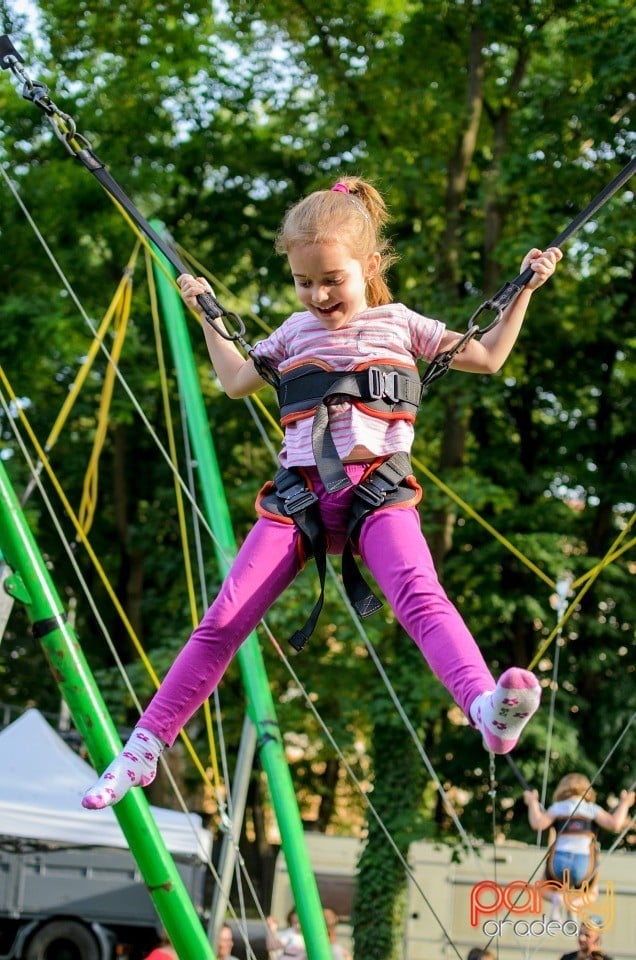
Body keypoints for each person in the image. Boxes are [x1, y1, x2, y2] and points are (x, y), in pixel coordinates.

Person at [82, 175, 562, 811]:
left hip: (378, 495)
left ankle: (484, 708)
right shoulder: (291, 333)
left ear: (368, 265)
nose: (318, 295)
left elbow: (491, 355)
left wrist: (523, 289)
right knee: (224, 619)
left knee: (422, 598)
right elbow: (233, 380)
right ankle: (143, 747)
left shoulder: (402, 325)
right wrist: (208, 317)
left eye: (332, 279)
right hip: (299, 500)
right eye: (304, 282)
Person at [524, 772, 635, 918]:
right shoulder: (591, 809)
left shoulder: (558, 807)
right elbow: (615, 824)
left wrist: (532, 802)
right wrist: (625, 804)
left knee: (540, 888)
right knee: (592, 892)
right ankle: (575, 904)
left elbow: (537, 823)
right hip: (583, 864)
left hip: (558, 862)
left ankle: (557, 899)